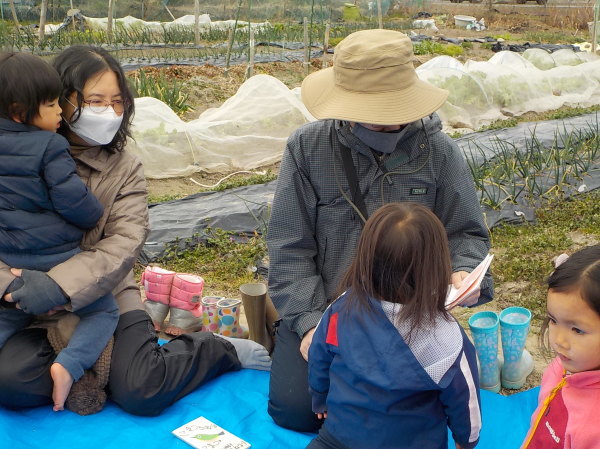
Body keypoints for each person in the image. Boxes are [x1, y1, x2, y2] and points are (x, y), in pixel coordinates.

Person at [0, 46, 270, 416]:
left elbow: (123, 243)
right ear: (58, 100)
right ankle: (93, 370)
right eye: (95, 101)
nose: (109, 112)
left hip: (107, 294)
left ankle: (214, 348)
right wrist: (10, 286)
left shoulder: (123, 167)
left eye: (117, 102)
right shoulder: (9, 159)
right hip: (27, 300)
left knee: (142, 390)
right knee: (11, 381)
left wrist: (59, 284)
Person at [267, 28, 493, 431]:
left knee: (412, 415)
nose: (387, 124)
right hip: (333, 312)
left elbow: (466, 234)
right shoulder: (307, 148)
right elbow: (289, 247)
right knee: (298, 410)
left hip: (411, 318)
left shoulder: (439, 153)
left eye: (395, 113)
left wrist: (464, 272)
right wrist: (310, 324)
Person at [307, 202, 481, 449]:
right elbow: (465, 399)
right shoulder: (445, 336)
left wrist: (319, 399)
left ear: (366, 257)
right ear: (435, 266)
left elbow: (319, 356)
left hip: (338, 438)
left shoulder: (340, 308)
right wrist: (467, 441)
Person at [0, 52, 119, 413]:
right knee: (105, 312)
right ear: (21, 111)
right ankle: (70, 364)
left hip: (12, 263)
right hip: (58, 258)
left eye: (116, 101)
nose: (58, 113)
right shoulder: (52, 146)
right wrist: (92, 214)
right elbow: (73, 203)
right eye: (51, 104)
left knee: (6, 315)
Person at [521, 245, 600, 448]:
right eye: (553, 320)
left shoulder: (594, 425)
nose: (558, 340)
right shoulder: (567, 362)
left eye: (577, 330)